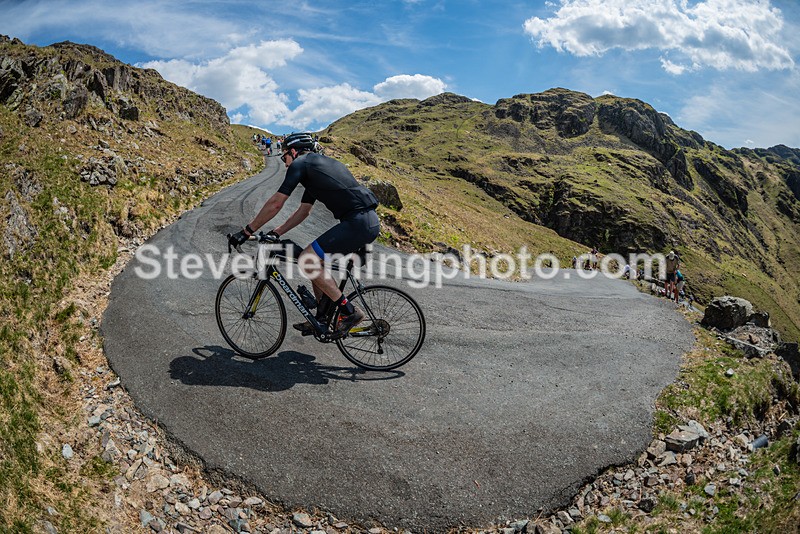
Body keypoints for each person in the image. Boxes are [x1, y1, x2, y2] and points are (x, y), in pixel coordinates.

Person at [228, 132, 380, 336]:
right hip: (365, 222)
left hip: (358, 223)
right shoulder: (317, 168)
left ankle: (349, 311)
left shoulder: (302, 164)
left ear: (293, 151)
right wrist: (277, 231)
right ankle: (322, 317)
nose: (285, 163)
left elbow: (276, 203)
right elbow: (303, 211)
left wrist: (247, 231)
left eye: (284, 157)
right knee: (315, 261)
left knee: (307, 259)